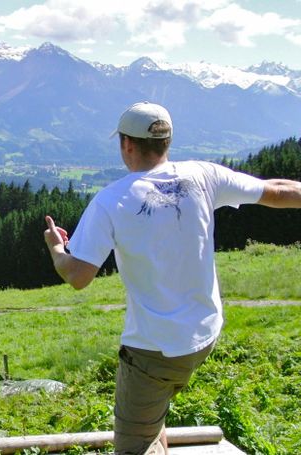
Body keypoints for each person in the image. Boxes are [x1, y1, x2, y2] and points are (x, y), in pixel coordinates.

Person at [43, 101, 301, 455]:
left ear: (126, 145)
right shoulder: (205, 176)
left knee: (134, 445)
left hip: (154, 350)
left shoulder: (111, 201)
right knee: (155, 411)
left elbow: (77, 276)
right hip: (204, 335)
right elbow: (275, 190)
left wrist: (57, 248)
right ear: (167, 142)